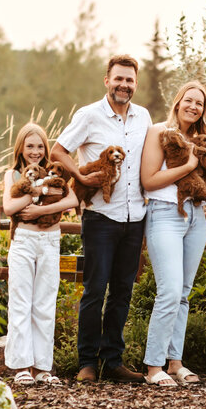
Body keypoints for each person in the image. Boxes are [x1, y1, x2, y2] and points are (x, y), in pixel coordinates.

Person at [50, 54, 152, 383]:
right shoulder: (89, 115)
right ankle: (87, 363)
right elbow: (58, 150)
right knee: (95, 290)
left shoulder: (144, 118)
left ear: (135, 84)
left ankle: (113, 361)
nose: (124, 85)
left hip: (135, 217)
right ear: (106, 81)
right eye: (118, 79)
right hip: (100, 218)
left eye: (130, 80)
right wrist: (80, 173)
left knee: (122, 292)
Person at [140, 81, 206, 386]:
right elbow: (149, 180)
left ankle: (175, 362)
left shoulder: (202, 140)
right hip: (164, 214)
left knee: (183, 293)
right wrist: (189, 164)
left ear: (203, 110)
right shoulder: (158, 132)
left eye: (199, 103)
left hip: (196, 216)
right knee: (170, 291)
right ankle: (153, 367)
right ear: (178, 102)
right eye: (189, 100)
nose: (193, 107)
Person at [2, 122, 79, 386]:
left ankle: (42, 367)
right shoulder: (12, 175)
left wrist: (38, 209)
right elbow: (9, 206)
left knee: (45, 303)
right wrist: (38, 193)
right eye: (30, 146)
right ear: (21, 148)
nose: (35, 152)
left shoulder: (54, 174)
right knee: (21, 301)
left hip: (49, 239)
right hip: (23, 240)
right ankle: (21, 366)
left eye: (40, 146)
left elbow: (72, 200)